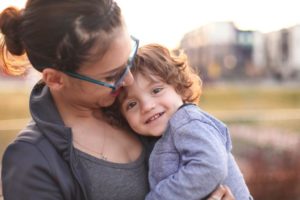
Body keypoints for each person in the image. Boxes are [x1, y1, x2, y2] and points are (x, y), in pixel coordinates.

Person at [0, 0, 235, 200]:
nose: (129, 79)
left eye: (128, 60)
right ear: (55, 79)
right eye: (112, 75)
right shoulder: (30, 163)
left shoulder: (135, 106)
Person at [112, 44, 253, 199]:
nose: (146, 106)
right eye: (131, 104)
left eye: (156, 90)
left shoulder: (187, 121)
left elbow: (210, 166)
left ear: (178, 88)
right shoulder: (154, 139)